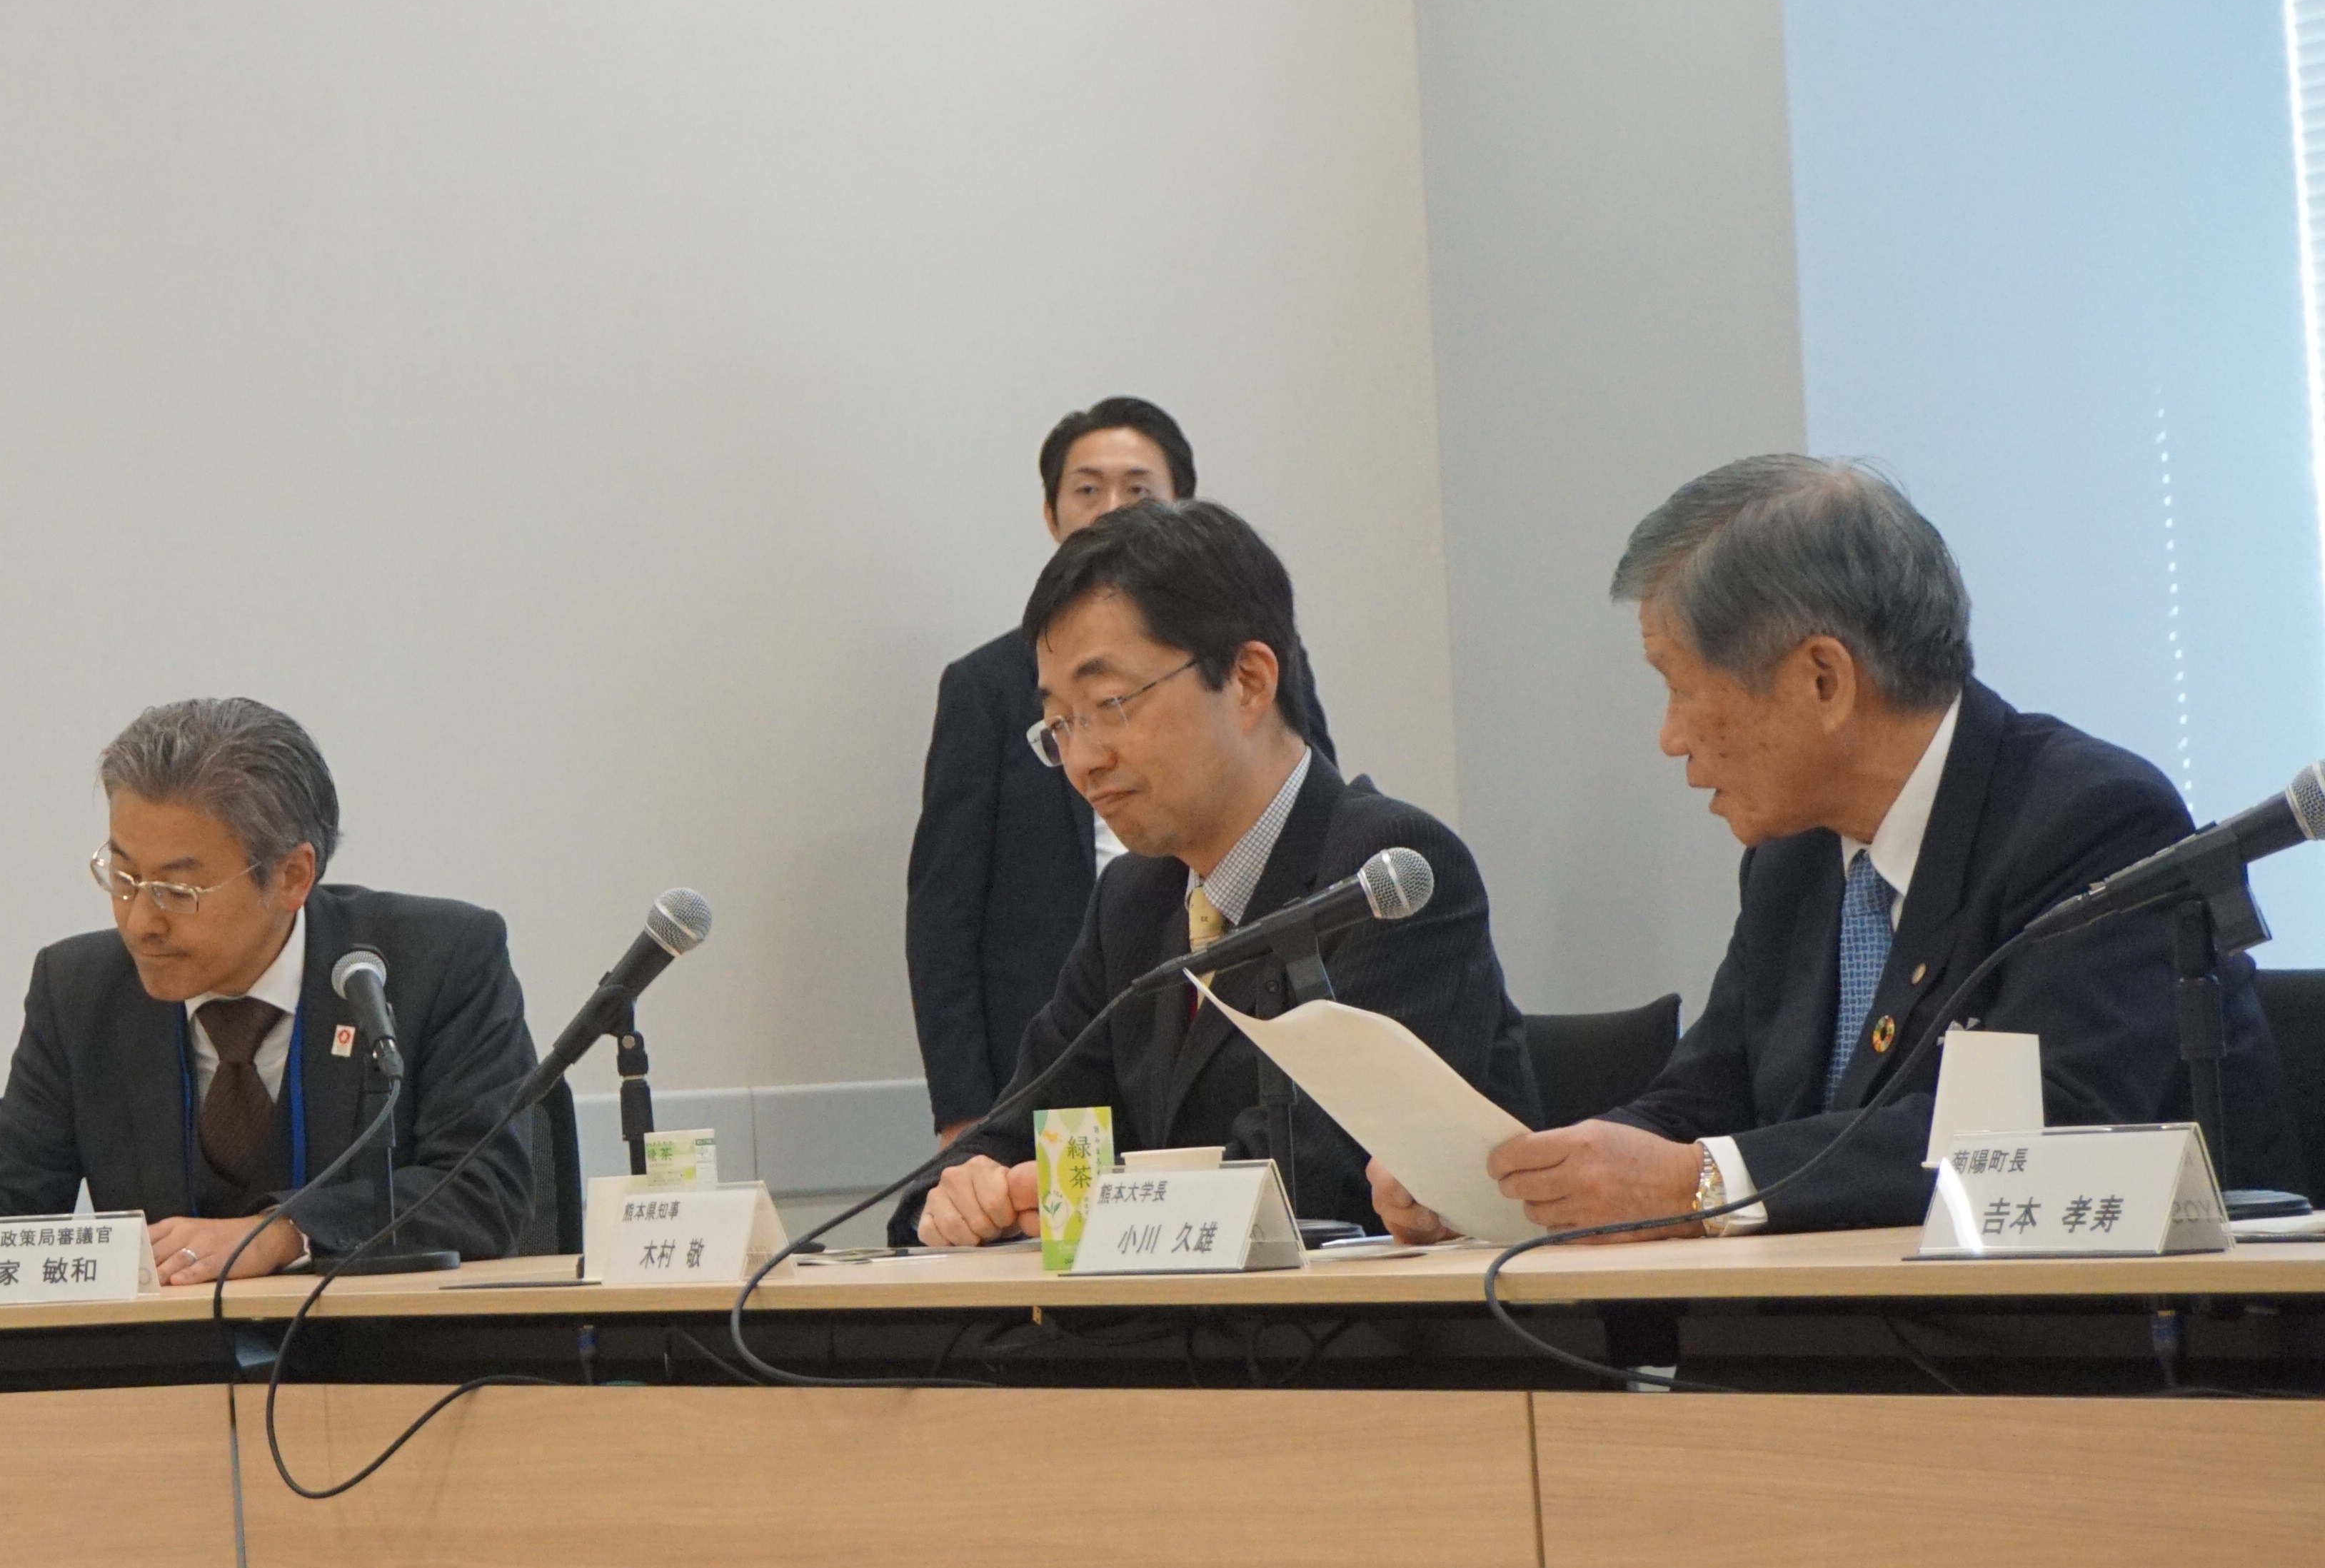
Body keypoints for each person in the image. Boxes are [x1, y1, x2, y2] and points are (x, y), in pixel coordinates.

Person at [1377, 456, 2298, 1242]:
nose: (1670, 737)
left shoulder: (2090, 822)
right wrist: (1516, 1183)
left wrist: (1700, 1184)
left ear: (1823, 679)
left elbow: (2052, 1133)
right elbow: (1700, 1103)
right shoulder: (1796, 860)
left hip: (2094, 1358)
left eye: (1680, 686)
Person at [910, 499, 1535, 1247]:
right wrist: (968, 1189)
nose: (1082, 761)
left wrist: (1073, 1203)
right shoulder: (1132, 901)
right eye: (1061, 724)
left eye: (1109, 704)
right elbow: (1020, 1126)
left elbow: (1315, 1182)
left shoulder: (1386, 876)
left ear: (1248, 680)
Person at [0, 698, 543, 1298]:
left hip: (389, 1372)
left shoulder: (434, 962)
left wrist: (280, 1233)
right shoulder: (81, 991)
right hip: (167, 1381)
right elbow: (7, 1194)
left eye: (179, 888)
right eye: (123, 877)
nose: (140, 921)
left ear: (292, 876)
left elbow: (484, 1189)